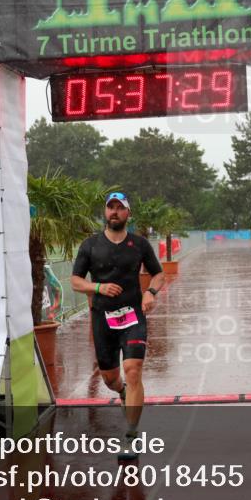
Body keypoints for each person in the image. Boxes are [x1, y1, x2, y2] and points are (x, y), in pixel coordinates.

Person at [70, 192, 164, 457]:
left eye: (119, 208)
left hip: (133, 316)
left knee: (133, 370)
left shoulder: (139, 244)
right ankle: (121, 391)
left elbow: (158, 274)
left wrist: (150, 293)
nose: (114, 211)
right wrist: (98, 287)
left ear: (127, 213)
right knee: (110, 378)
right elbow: (75, 281)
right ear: (105, 212)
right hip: (103, 319)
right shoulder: (90, 245)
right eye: (110, 207)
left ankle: (131, 435)